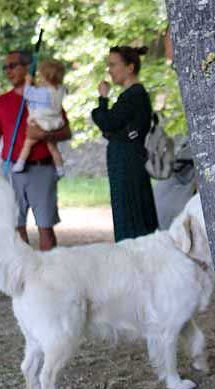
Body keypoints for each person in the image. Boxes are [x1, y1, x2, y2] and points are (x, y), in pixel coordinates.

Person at [0, 49, 71, 252]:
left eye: (12, 66)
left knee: (45, 227)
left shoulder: (45, 95)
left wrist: (45, 135)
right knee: (16, 227)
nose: (8, 71)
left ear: (27, 68)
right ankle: (25, 277)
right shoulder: (0, 103)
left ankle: (49, 277)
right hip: (12, 170)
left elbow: (66, 131)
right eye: (5, 67)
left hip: (42, 168)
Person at [91, 45, 159, 242]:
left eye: (113, 65)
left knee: (131, 216)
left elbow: (106, 121)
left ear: (129, 67)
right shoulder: (130, 96)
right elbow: (111, 127)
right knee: (128, 214)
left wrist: (102, 100)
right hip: (125, 162)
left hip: (129, 164)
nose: (110, 70)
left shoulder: (134, 95)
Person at [13, 59, 68, 178]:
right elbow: (45, 89)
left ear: (45, 77)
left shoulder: (43, 93)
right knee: (53, 148)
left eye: (41, 75)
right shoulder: (60, 89)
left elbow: (27, 94)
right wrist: (36, 83)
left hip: (41, 123)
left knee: (28, 143)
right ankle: (60, 169)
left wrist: (28, 82)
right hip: (54, 123)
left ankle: (20, 163)